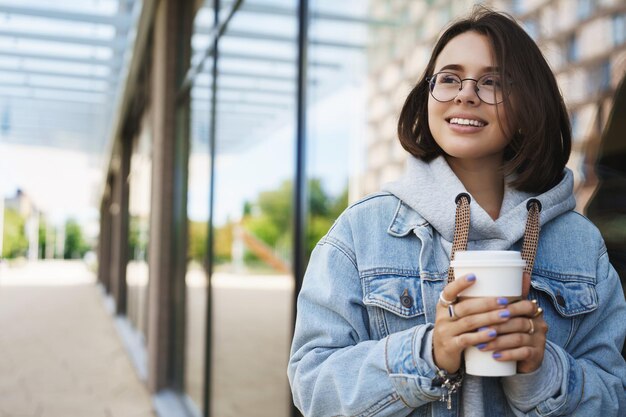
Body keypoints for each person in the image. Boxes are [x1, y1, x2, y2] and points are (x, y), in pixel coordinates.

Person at [287, 6, 626, 417]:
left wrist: (543, 370)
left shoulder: (580, 244)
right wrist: (429, 352)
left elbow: (614, 397)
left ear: (527, 104)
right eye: (448, 79)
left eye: (491, 82)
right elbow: (312, 386)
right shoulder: (362, 231)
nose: (465, 93)